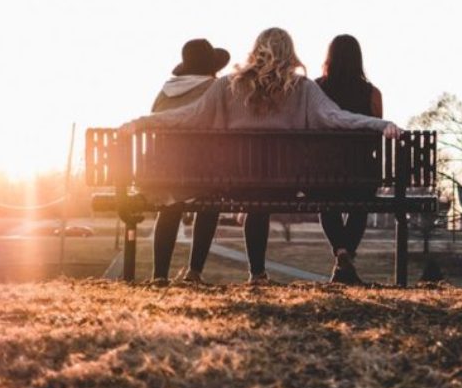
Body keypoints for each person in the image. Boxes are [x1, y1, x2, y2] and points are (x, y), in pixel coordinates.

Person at [120, 27, 401, 284]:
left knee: (255, 197)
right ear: (290, 54)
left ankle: (257, 274)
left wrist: (143, 122)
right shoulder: (303, 88)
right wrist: (380, 124)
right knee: (265, 193)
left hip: (236, 185)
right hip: (286, 186)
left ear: (255, 52)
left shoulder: (227, 86)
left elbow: (188, 116)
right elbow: (337, 118)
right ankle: (260, 273)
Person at [149, 38, 230, 285]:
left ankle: (159, 275)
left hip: (165, 173)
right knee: (211, 201)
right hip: (202, 173)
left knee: (170, 204)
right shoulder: (216, 88)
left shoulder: (165, 91)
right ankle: (194, 272)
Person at [315, 34, 383, 285]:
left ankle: (341, 252)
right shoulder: (372, 93)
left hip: (324, 174)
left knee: (325, 202)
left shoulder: (316, 89)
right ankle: (346, 255)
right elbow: (376, 135)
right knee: (360, 205)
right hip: (362, 174)